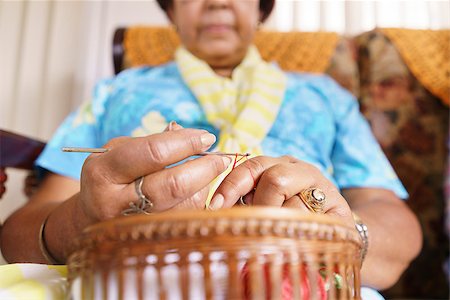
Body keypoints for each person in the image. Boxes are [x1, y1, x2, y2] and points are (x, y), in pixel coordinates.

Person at [1, 0, 421, 297]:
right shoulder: (118, 92)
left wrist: (338, 234)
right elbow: (21, 233)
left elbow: (398, 226)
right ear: (171, 11)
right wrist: (82, 222)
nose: (218, 2)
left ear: (260, 9)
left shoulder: (323, 96)